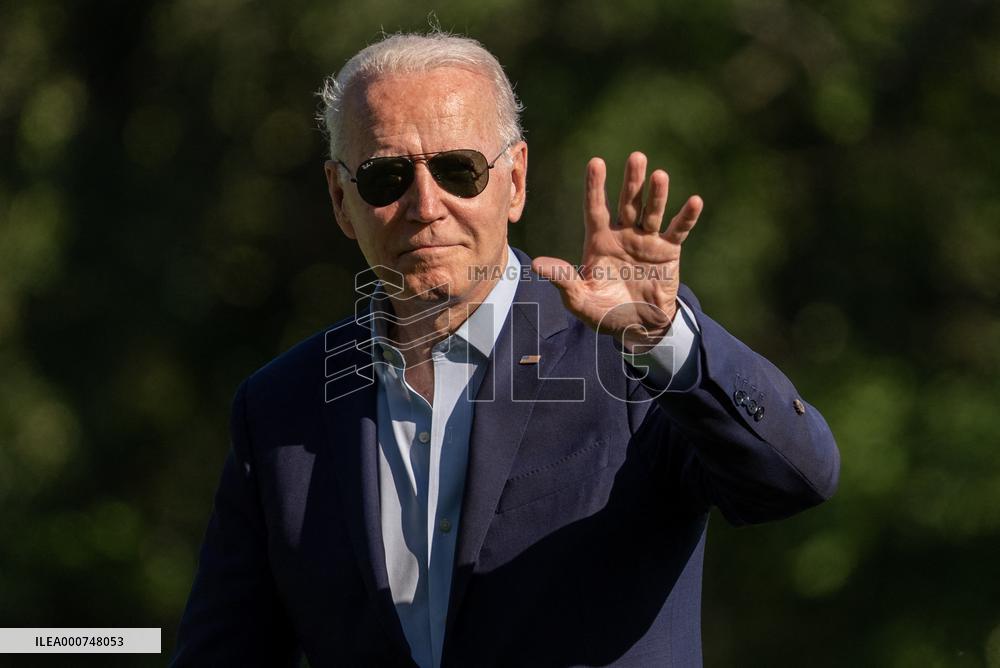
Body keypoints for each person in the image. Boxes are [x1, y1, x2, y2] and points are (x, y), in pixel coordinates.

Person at [172, 31, 839, 667]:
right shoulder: (279, 408)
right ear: (341, 199)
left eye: (459, 170)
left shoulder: (628, 362)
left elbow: (795, 480)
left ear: (514, 180)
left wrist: (665, 343)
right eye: (385, 178)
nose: (425, 205)